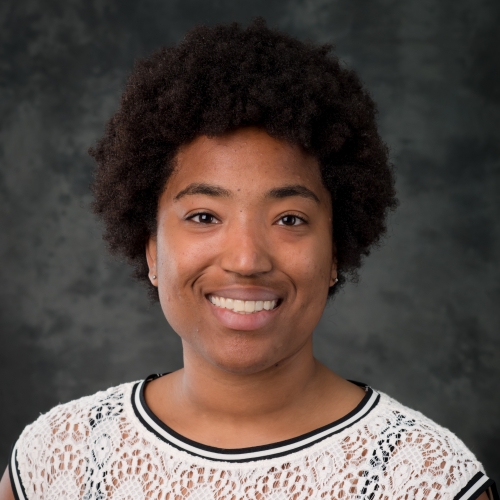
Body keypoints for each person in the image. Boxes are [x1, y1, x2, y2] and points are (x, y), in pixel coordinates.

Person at [0, 18, 496, 500]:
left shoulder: (425, 479)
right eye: (203, 216)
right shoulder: (59, 459)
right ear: (151, 249)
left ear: (336, 252)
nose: (245, 258)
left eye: (289, 219)